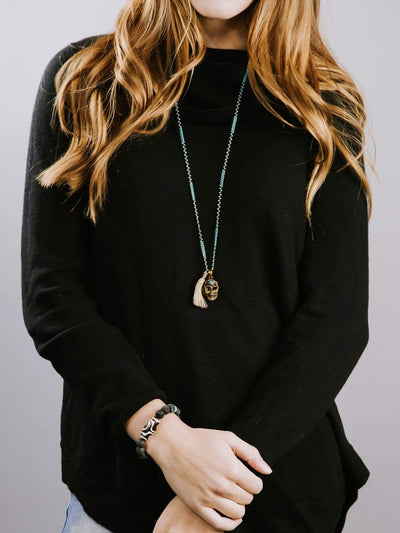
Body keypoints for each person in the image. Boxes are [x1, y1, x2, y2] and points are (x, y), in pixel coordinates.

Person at [21, 1, 374, 532]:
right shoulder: (87, 82)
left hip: (277, 494)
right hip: (122, 496)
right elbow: (53, 295)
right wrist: (168, 442)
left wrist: (216, 487)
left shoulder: (321, 101)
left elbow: (337, 318)